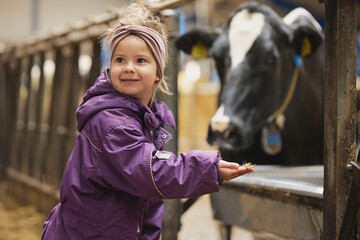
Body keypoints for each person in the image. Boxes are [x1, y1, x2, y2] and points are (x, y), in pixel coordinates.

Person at [41, 3, 254, 240]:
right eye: (120, 60)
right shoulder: (112, 124)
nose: (129, 68)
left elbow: (148, 202)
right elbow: (150, 172)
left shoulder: (147, 119)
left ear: (158, 73)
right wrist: (206, 168)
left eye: (141, 60)